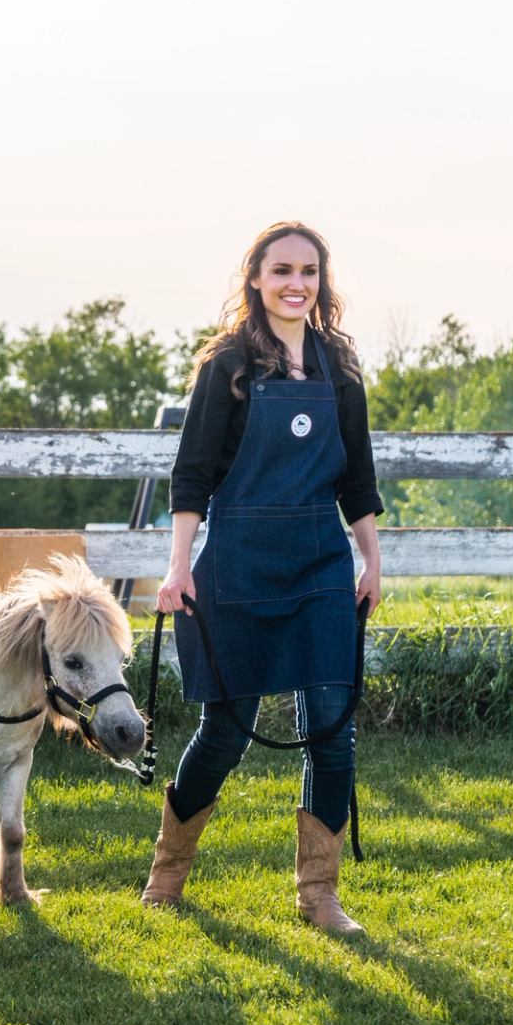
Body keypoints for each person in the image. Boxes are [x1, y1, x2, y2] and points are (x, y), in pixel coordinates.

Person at [139, 221, 383, 933]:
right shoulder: (227, 366)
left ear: (322, 281)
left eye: (308, 271)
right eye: (281, 270)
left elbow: (358, 478)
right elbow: (193, 474)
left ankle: (320, 897)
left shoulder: (340, 368)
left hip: (320, 566)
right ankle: (166, 875)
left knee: (332, 733)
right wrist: (177, 566)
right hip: (239, 564)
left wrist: (371, 559)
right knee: (225, 732)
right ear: (255, 278)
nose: (295, 284)